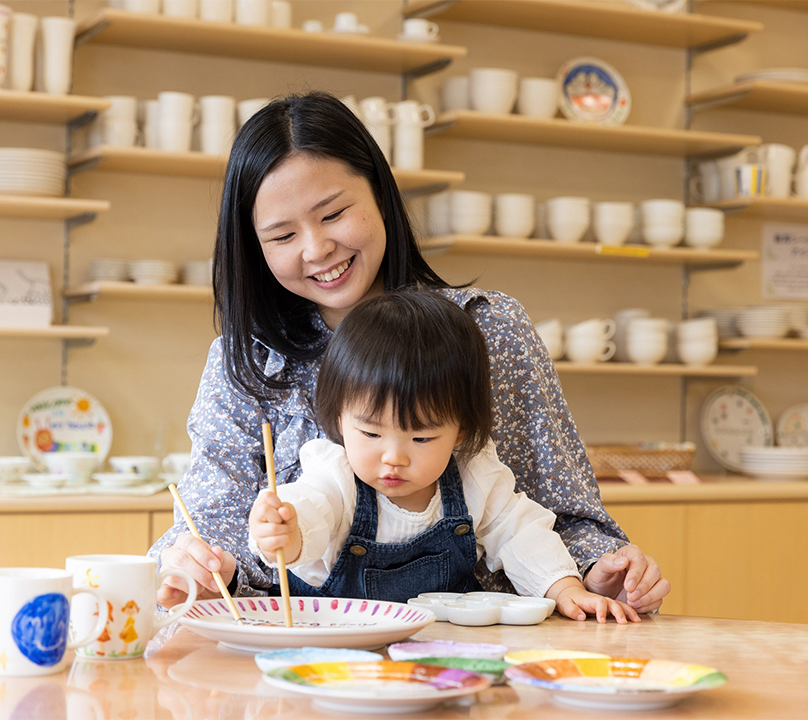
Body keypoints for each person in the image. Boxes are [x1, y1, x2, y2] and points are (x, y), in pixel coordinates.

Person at [152, 91, 670, 613]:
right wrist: (198, 567)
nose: (316, 249)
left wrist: (597, 570)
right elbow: (205, 529)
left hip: (475, 656)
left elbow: (560, 515)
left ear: (380, 193)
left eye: (332, 214)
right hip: (309, 655)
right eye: (282, 235)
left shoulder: (487, 329)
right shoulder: (247, 362)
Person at [248, 289, 639, 622]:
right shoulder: (336, 476)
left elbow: (521, 533)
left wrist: (566, 587)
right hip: (339, 650)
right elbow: (312, 507)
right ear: (338, 419)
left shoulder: (473, 478)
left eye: (421, 438)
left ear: (461, 432)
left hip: (439, 652)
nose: (393, 457)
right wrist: (287, 531)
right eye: (370, 432)